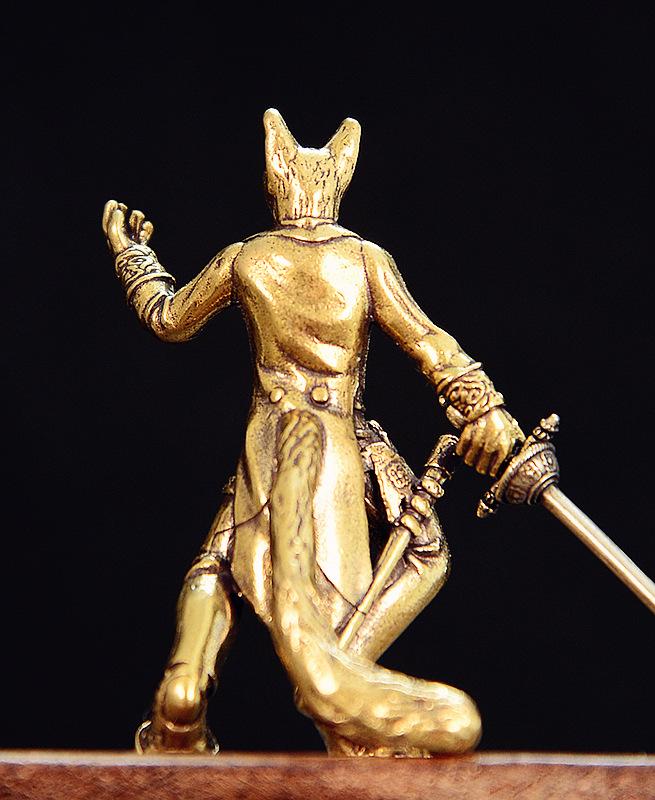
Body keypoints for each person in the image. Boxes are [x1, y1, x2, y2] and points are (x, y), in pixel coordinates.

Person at [102, 109, 524, 756]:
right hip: (338, 442)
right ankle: (343, 675)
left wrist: (134, 256)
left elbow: (168, 318)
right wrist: (483, 407)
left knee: (220, 563)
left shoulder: (247, 258)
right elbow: (428, 342)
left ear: (274, 180)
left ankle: (186, 685)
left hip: (268, 439)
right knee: (426, 549)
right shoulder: (364, 260)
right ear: (341, 183)